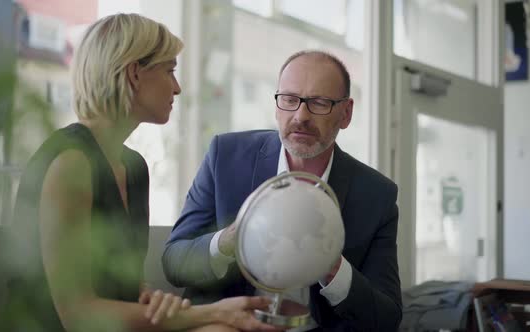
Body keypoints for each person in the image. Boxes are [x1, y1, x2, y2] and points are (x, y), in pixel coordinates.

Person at [4, 13, 279, 332]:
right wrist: (211, 313)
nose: (176, 88)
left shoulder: (134, 168)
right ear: (135, 73)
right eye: (169, 71)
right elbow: (78, 316)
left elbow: (126, 287)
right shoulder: (70, 163)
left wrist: (150, 298)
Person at [162, 50, 402, 331]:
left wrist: (331, 267)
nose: (301, 116)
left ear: (346, 113)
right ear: (277, 105)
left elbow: (386, 318)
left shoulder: (377, 195)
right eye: (289, 100)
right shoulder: (225, 156)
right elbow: (174, 262)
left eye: (319, 103)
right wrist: (229, 241)